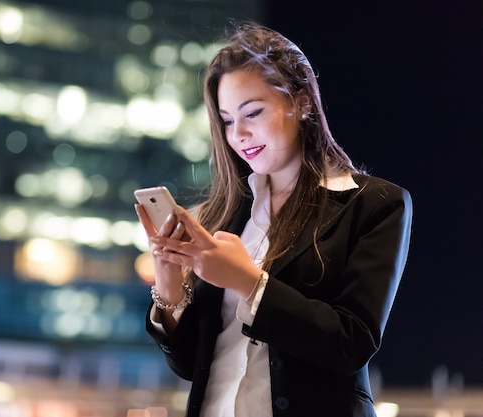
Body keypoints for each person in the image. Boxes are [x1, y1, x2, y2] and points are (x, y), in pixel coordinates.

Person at [135, 22, 412, 417]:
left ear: (301, 103)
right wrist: (169, 282)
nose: (239, 134)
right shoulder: (223, 215)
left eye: (253, 112)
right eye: (228, 120)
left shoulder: (375, 204)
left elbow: (351, 343)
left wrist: (246, 280)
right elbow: (190, 366)